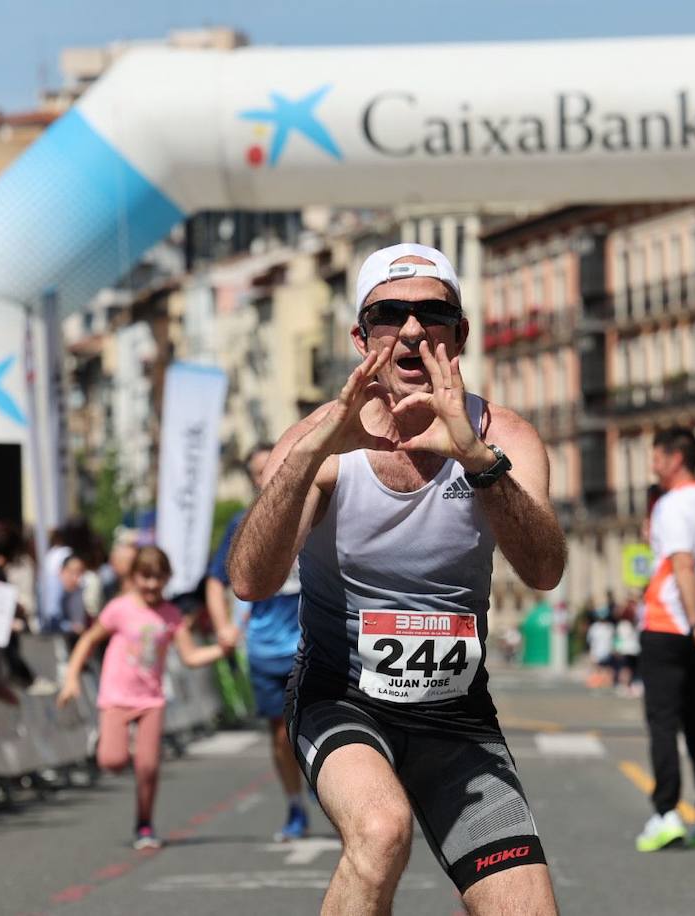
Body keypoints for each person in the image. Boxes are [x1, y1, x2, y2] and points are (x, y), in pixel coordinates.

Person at [228, 243, 566, 915]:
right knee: (381, 833)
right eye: (390, 314)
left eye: (433, 313)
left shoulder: (506, 438)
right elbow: (250, 581)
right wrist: (307, 460)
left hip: (456, 715)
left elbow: (545, 571)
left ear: (460, 334)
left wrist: (478, 462)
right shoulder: (319, 442)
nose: (413, 330)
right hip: (342, 697)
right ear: (362, 337)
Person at [57, 547, 232, 849]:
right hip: (116, 695)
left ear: (167, 579)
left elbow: (189, 656)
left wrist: (221, 650)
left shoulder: (171, 615)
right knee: (112, 761)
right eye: (145, 577)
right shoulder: (119, 609)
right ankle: (107, 742)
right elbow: (88, 639)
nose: (151, 584)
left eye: (158, 578)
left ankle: (145, 825)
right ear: (134, 577)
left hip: (150, 699)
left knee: (148, 768)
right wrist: (71, 679)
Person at [635, 426, 695, 853]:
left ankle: (666, 813)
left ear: (676, 458)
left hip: (669, 623)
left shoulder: (673, 505)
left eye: (657, 457)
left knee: (663, 723)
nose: (653, 465)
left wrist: (691, 623)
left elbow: (684, 565)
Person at [207, 442, 309, 842]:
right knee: (280, 731)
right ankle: (296, 804)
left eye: (274, 467)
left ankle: (331, 785)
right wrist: (223, 627)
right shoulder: (241, 522)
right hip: (265, 644)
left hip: (311, 636)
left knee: (319, 720)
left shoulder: (313, 509)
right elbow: (217, 580)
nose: (265, 477)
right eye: (257, 471)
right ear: (251, 478)